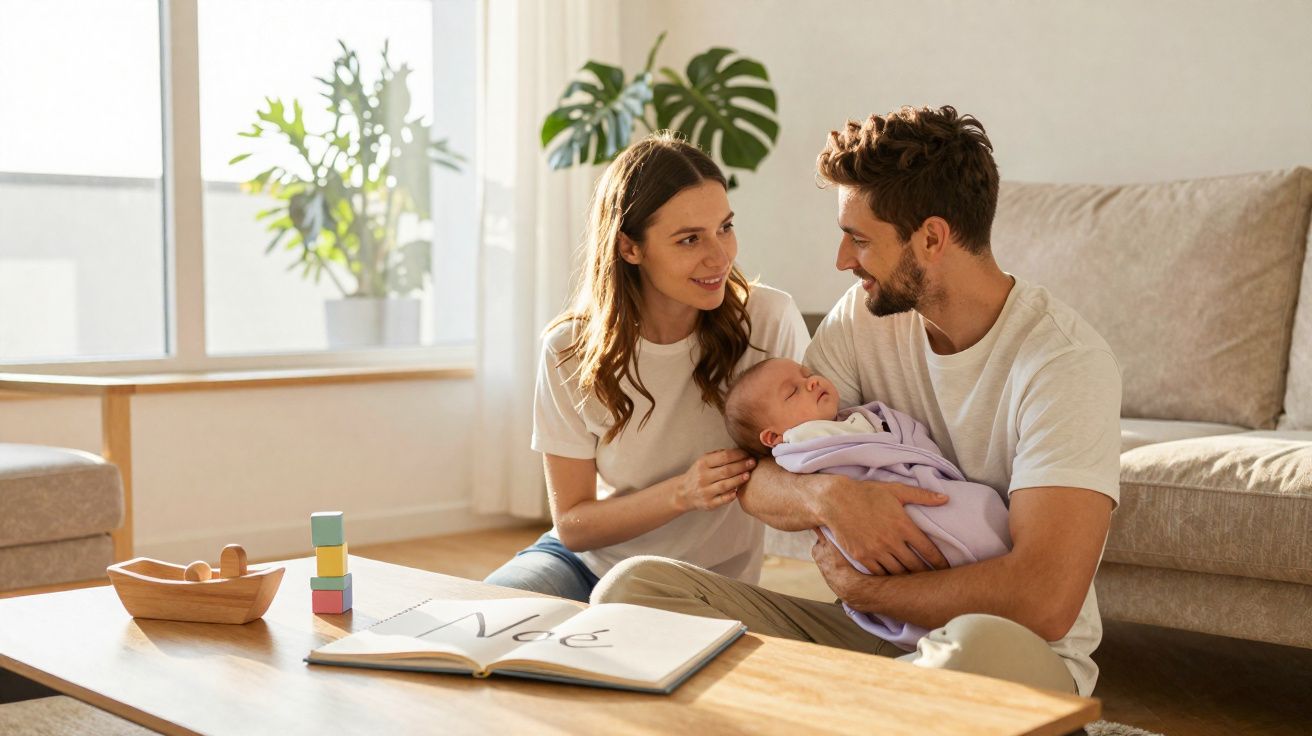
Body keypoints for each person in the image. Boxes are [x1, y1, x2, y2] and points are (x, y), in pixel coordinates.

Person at [591, 106, 1122, 698]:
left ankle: (815, 707)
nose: (842, 260)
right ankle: (848, 708)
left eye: (860, 239)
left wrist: (866, 591)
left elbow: (1045, 601)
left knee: (970, 647)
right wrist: (831, 497)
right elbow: (754, 474)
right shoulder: (863, 320)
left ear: (932, 238)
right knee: (634, 590)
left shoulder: (1064, 363)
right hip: (872, 643)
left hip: (1005, 654)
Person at [483, 132, 811, 603]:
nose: (720, 255)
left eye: (725, 227)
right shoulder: (569, 350)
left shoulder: (767, 320)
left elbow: (810, 462)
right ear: (630, 248)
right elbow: (572, 525)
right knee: (484, 614)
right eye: (689, 239)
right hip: (585, 565)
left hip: (703, 583)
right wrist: (683, 492)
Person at [722, 356, 1011, 650]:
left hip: (922, 494)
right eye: (792, 392)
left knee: (972, 519)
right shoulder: (801, 445)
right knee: (962, 528)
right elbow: (754, 481)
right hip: (892, 525)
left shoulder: (858, 419)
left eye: (807, 374)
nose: (810, 382)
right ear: (774, 437)